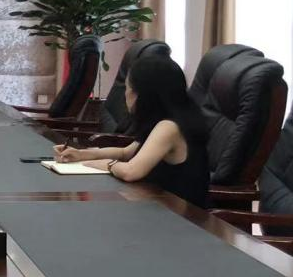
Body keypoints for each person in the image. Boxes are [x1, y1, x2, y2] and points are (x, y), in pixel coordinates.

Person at [53, 54, 210, 208]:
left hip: (182, 216)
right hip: (160, 206)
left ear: (144, 95)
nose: (125, 95)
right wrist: (82, 154)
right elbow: (125, 152)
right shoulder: (167, 119)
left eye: (128, 88)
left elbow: (131, 171)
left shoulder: (169, 127)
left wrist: (106, 164)